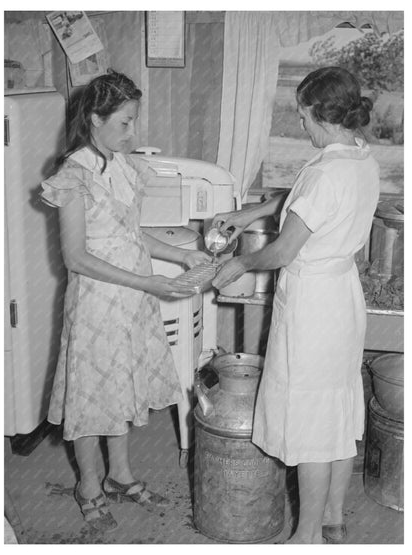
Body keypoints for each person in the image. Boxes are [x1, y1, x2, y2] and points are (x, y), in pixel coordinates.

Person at [212, 66, 379, 544]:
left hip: (313, 305)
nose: (301, 125)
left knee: (309, 420)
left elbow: (283, 251)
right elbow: (304, 200)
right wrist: (251, 212)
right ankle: (334, 517)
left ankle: (304, 537)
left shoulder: (325, 172)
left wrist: (241, 265)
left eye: (304, 117)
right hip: (343, 294)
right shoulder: (359, 155)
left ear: (322, 117)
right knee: (338, 409)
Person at [40, 69, 210, 532]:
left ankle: (119, 474)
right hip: (98, 301)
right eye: (125, 122)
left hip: (133, 297)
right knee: (92, 397)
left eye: (135, 121)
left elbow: (130, 235)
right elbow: (76, 258)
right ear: (95, 119)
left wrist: (181, 253)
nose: (134, 133)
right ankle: (88, 486)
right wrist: (148, 284)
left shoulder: (122, 165)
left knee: (121, 387)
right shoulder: (72, 176)